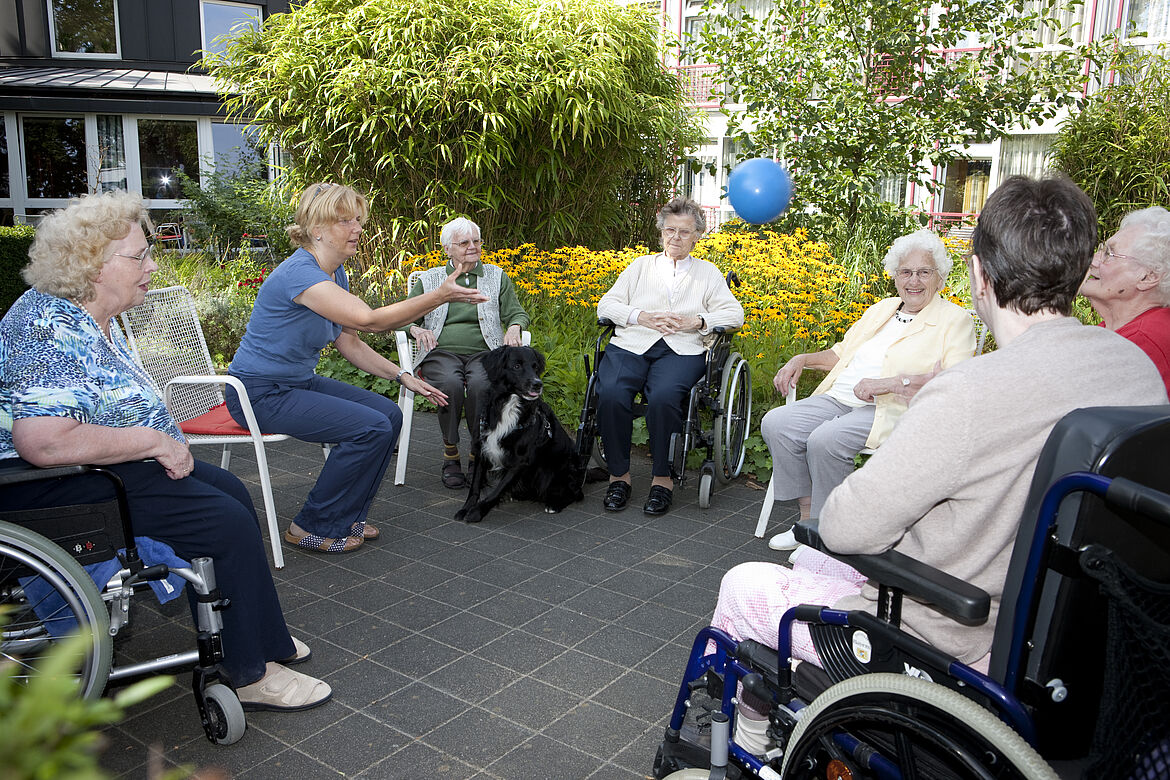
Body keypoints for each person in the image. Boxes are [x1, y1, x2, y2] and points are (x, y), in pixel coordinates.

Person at [709, 176, 1166, 729]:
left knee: (744, 584)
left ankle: (751, 735)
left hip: (947, 631)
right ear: (1077, 268)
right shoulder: (1134, 368)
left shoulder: (971, 389)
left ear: (978, 275)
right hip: (1064, 635)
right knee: (808, 557)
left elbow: (850, 528)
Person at [0, 191, 331, 711]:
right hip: (54, 484)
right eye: (140, 256)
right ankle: (250, 673)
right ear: (93, 264)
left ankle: (262, 639)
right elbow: (44, 441)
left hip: (103, 468)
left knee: (231, 492)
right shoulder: (47, 325)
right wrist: (154, 440)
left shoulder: (90, 318)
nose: (152, 265)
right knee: (221, 520)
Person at [227, 183, 486, 554]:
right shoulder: (301, 274)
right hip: (257, 392)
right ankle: (310, 525)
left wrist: (402, 375)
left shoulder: (336, 273)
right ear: (316, 228)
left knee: (388, 414)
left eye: (359, 220)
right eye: (344, 220)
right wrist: (438, 295)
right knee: (368, 428)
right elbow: (369, 321)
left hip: (295, 383)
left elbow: (349, 340)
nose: (357, 229)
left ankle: (345, 517)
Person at [762, 228, 976, 550]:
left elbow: (954, 379)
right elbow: (840, 353)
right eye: (906, 272)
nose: (913, 280)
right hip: (840, 397)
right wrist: (802, 358)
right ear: (894, 276)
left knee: (826, 440)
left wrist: (891, 384)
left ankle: (826, 535)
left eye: (923, 272)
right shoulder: (882, 309)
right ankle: (807, 521)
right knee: (777, 423)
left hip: (890, 408)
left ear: (939, 277)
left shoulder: (954, 320)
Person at [595, 197, 745, 516]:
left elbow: (735, 314)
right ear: (661, 231)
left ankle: (662, 480)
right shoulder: (640, 267)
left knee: (664, 398)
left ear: (697, 236)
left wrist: (700, 321)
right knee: (610, 392)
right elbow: (606, 306)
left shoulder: (707, 273)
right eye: (670, 230)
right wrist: (640, 316)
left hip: (683, 347)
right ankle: (619, 477)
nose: (675, 237)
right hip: (633, 343)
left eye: (684, 232)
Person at [405, 217, 530, 488]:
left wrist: (515, 327)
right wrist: (416, 330)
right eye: (464, 242)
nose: (472, 247)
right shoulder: (431, 279)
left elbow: (516, 312)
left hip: (485, 354)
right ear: (447, 249)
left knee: (480, 384)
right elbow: (403, 315)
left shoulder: (496, 276)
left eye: (476, 241)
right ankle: (451, 453)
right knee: (449, 383)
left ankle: (477, 453)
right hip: (440, 351)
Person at [1080, 206, 1170, 391]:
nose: (1093, 260)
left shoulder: (1141, 343)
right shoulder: (1113, 330)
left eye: (1109, 254)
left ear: (1148, 277)